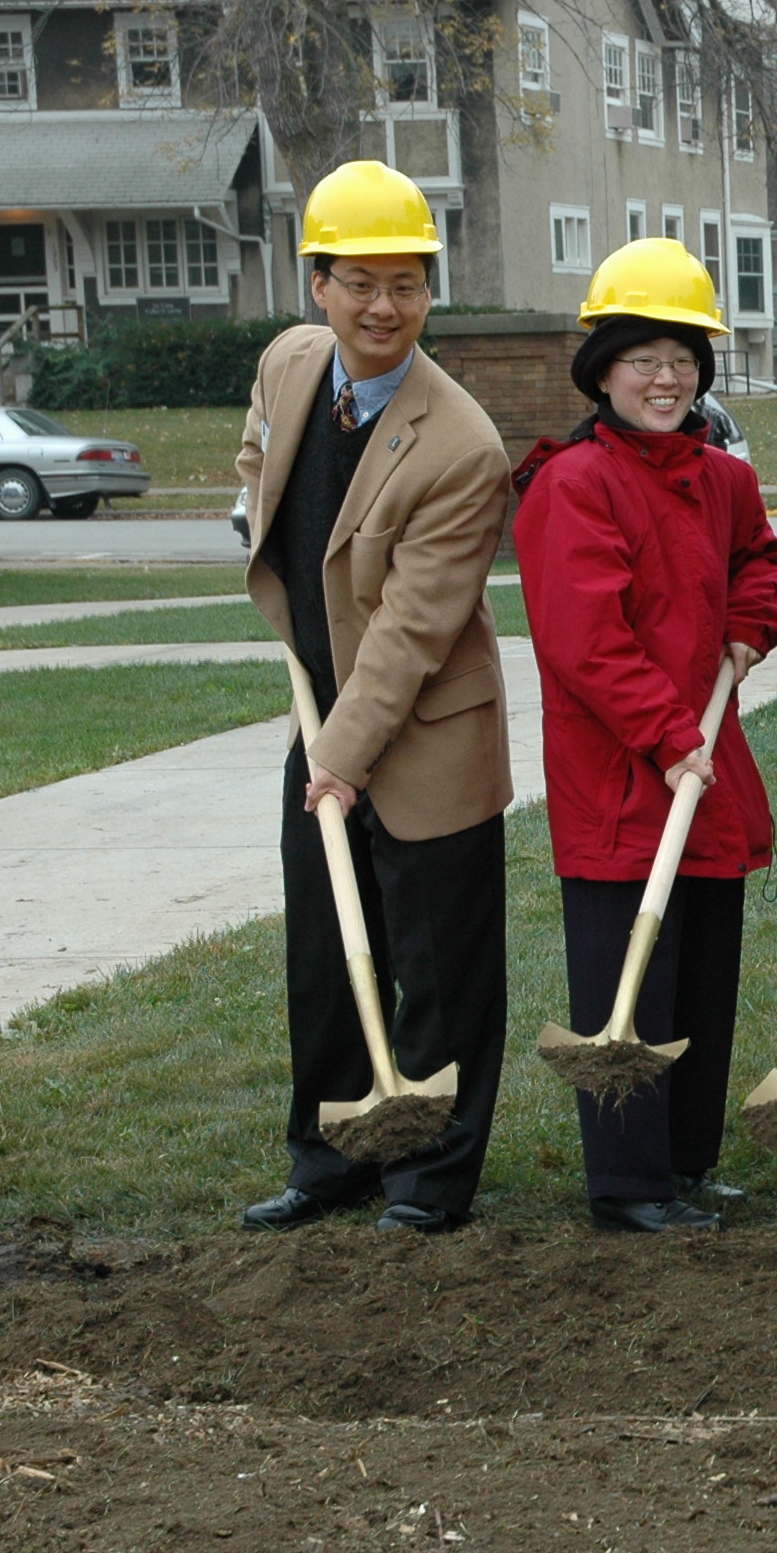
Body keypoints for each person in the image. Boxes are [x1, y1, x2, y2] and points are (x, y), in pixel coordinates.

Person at [235, 160, 513, 1236]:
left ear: (428, 291)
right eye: (360, 283)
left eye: (405, 284)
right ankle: (331, 1162)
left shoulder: (463, 446)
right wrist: (250, 508)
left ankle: (429, 1180)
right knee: (324, 956)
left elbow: (410, 633)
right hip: (323, 719)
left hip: (427, 735)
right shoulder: (290, 364)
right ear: (319, 285)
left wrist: (338, 763)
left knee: (438, 972)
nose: (383, 306)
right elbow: (258, 451)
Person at [512, 240, 777, 1232]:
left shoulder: (722, 479)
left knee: (701, 983)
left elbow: (760, 563)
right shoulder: (572, 485)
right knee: (627, 985)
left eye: (681, 359)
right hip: (621, 784)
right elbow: (586, 640)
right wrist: (671, 737)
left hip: (703, 772)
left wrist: (751, 625)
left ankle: (686, 1162)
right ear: (603, 373)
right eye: (643, 360)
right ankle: (628, 1184)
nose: (665, 378)